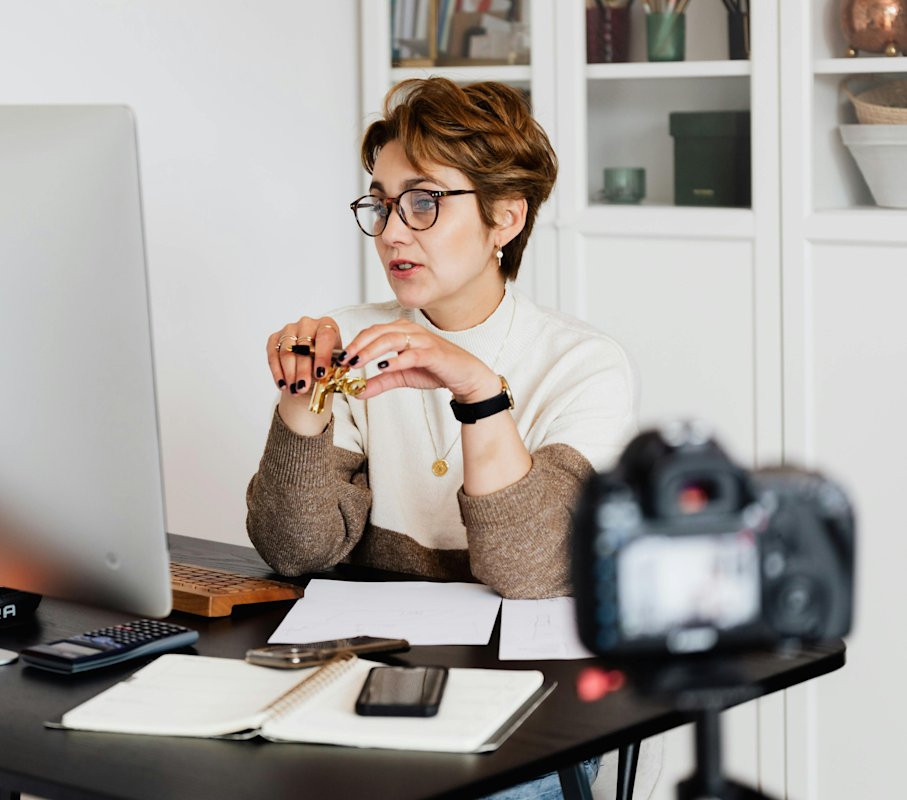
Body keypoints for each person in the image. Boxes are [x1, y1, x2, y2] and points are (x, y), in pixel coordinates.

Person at [247, 78, 639, 798]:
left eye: (424, 201)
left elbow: (530, 572)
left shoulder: (584, 364)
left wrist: (479, 395)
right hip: (369, 682)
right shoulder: (354, 339)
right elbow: (294, 549)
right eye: (382, 204)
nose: (393, 231)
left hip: (530, 710)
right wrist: (302, 406)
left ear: (505, 219)